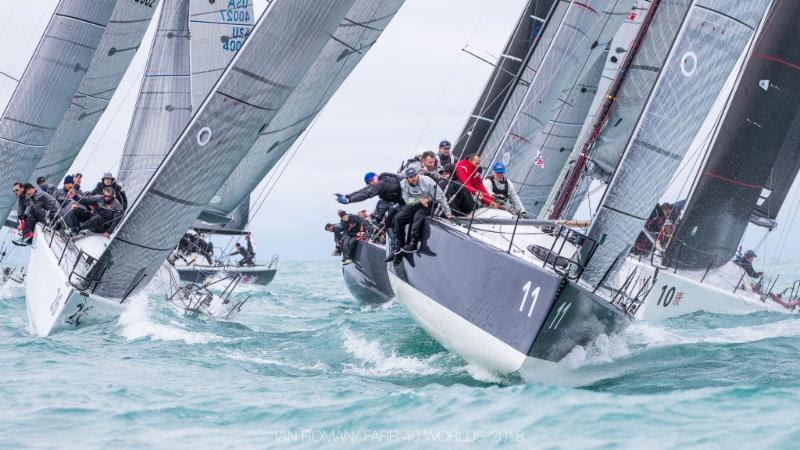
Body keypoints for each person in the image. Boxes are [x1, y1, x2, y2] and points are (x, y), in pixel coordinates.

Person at [393, 166, 453, 256]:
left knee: (418, 215)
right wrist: (420, 200)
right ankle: (400, 242)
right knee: (398, 218)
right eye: (411, 177)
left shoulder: (427, 181)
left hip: (430, 203)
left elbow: (440, 197)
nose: (414, 178)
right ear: (406, 178)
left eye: (415, 176)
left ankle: (413, 243)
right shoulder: (403, 184)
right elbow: (407, 200)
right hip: (415, 202)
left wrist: (448, 213)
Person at [335, 171, 405, 243]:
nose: (371, 183)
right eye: (369, 183)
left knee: (394, 220)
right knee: (388, 221)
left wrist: (349, 200)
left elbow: (367, 194)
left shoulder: (382, 183)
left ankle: (399, 242)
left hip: (405, 203)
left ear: (376, 176)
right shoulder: (378, 182)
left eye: (371, 180)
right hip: (399, 203)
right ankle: (396, 243)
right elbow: (364, 190)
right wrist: (348, 196)